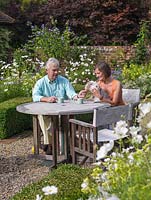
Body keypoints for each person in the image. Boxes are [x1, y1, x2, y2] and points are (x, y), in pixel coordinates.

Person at [32, 58, 82, 155]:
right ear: (47, 70)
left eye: (57, 70)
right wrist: (47, 99)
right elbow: (35, 96)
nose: (56, 72)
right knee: (42, 117)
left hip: (61, 112)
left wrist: (77, 96)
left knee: (69, 117)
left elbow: (71, 93)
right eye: (53, 70)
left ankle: (67, 145)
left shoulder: (64, 81)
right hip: (46, 112)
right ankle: (49, 145)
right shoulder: (40, 82)